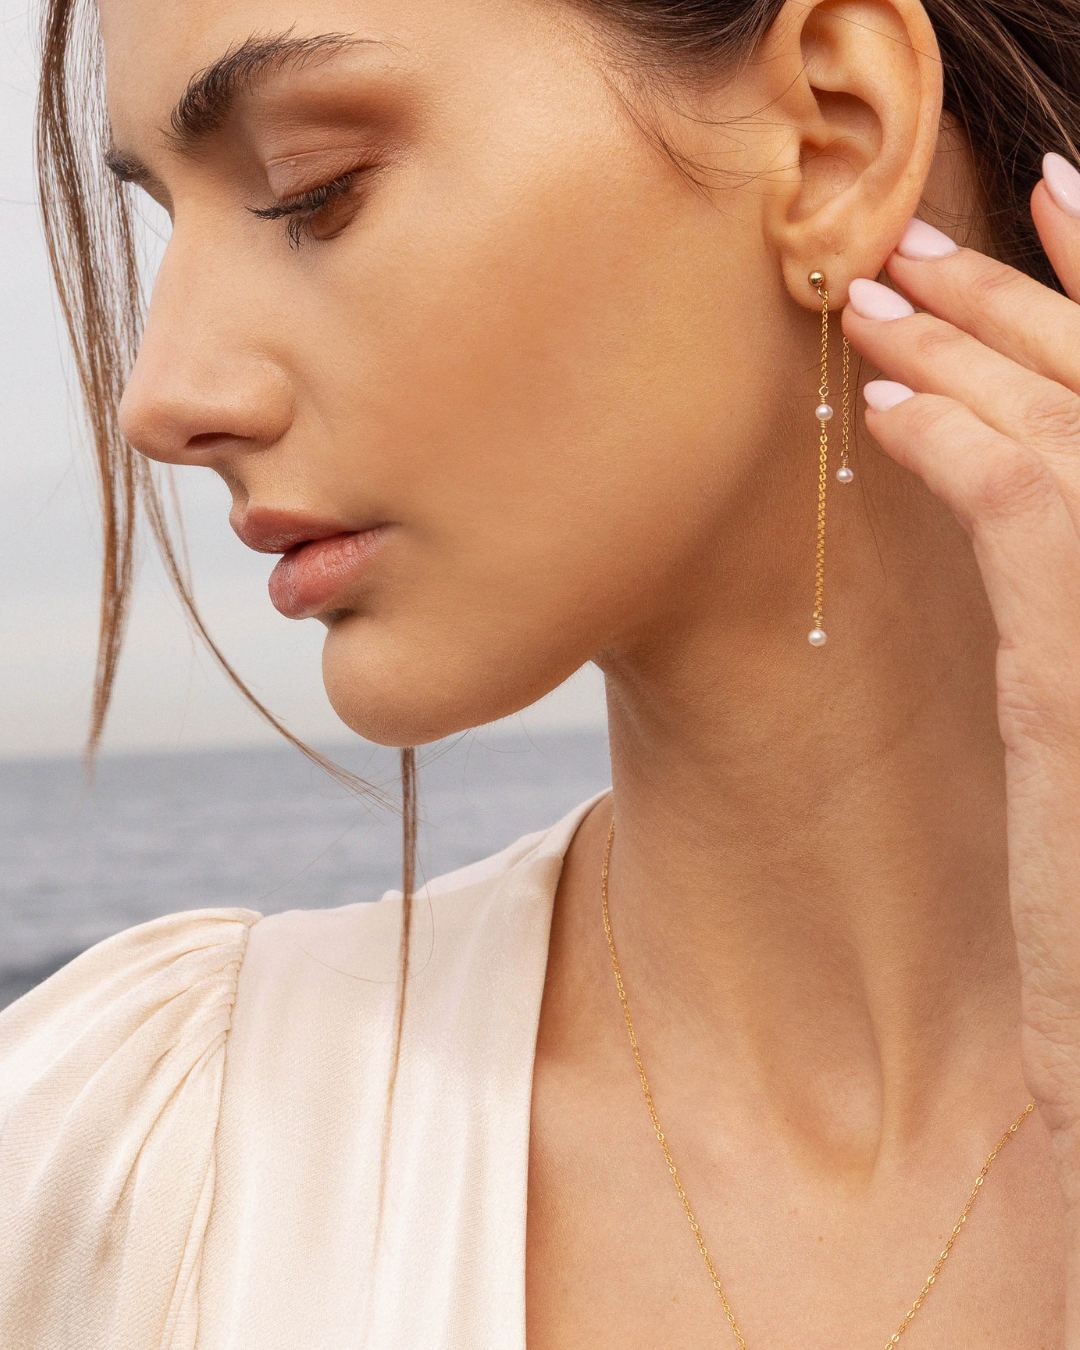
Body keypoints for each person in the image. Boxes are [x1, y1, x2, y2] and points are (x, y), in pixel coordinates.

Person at [5, 0, 1080, 1343]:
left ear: (831, 140)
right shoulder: (122, 1173)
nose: (163, 397)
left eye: (308, 192)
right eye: (169, 221)